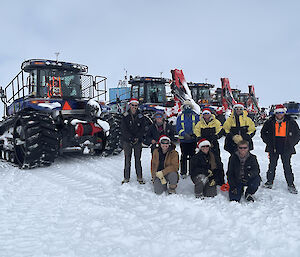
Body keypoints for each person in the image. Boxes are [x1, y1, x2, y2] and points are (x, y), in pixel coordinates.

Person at [261, 104, 300, 194]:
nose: (279, 114)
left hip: (286, 147)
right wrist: (268, 142)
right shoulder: (270, 121)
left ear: (284, 112)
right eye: (278, 113)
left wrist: (291, 144)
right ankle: (269, 182)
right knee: (272, 165)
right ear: (275, 113)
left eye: (281, 112)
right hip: (273, 146)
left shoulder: (291, 121)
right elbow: (263, 133)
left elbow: (297, 134)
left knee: (287, 166)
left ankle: (290, 184)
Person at [194, 108, 225, 185]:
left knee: (216, 160)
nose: (206, 115)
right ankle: (207, 175)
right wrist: (199, 138)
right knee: (203, 160)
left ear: (210, 114)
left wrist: (217, 136)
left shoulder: (216, 122)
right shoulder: (200, 123)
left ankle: (220, 179)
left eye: (207, 113)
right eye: (204, 114)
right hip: (203, 144)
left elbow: (220, 130)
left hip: (213, 143)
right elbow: (196, 131)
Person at [121, 98, 146, 184]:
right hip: (127, 141)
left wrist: (137, 138)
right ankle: (126, 178)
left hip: (137, 141)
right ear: (130, 105)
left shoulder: (141, 116)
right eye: (132, 105)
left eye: (136, 105)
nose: (134, 107)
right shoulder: (125, 116)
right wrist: (130, 138)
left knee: (137, 159)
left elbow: (143, 129)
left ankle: (139, 177)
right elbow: (123, 129)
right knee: (127, 159)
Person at [176, 100, 200, 178]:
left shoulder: (196, 116)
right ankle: (183, 172)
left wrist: (194, 134)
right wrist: (184, 134)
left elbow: (198, 126)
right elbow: (178, 128)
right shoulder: (180, 117)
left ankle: (192, 171)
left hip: (193, 140)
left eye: (189, 106)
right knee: (183, 156)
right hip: (184, 140)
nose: (187, 108)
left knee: (193, 156)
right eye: (186, 106)